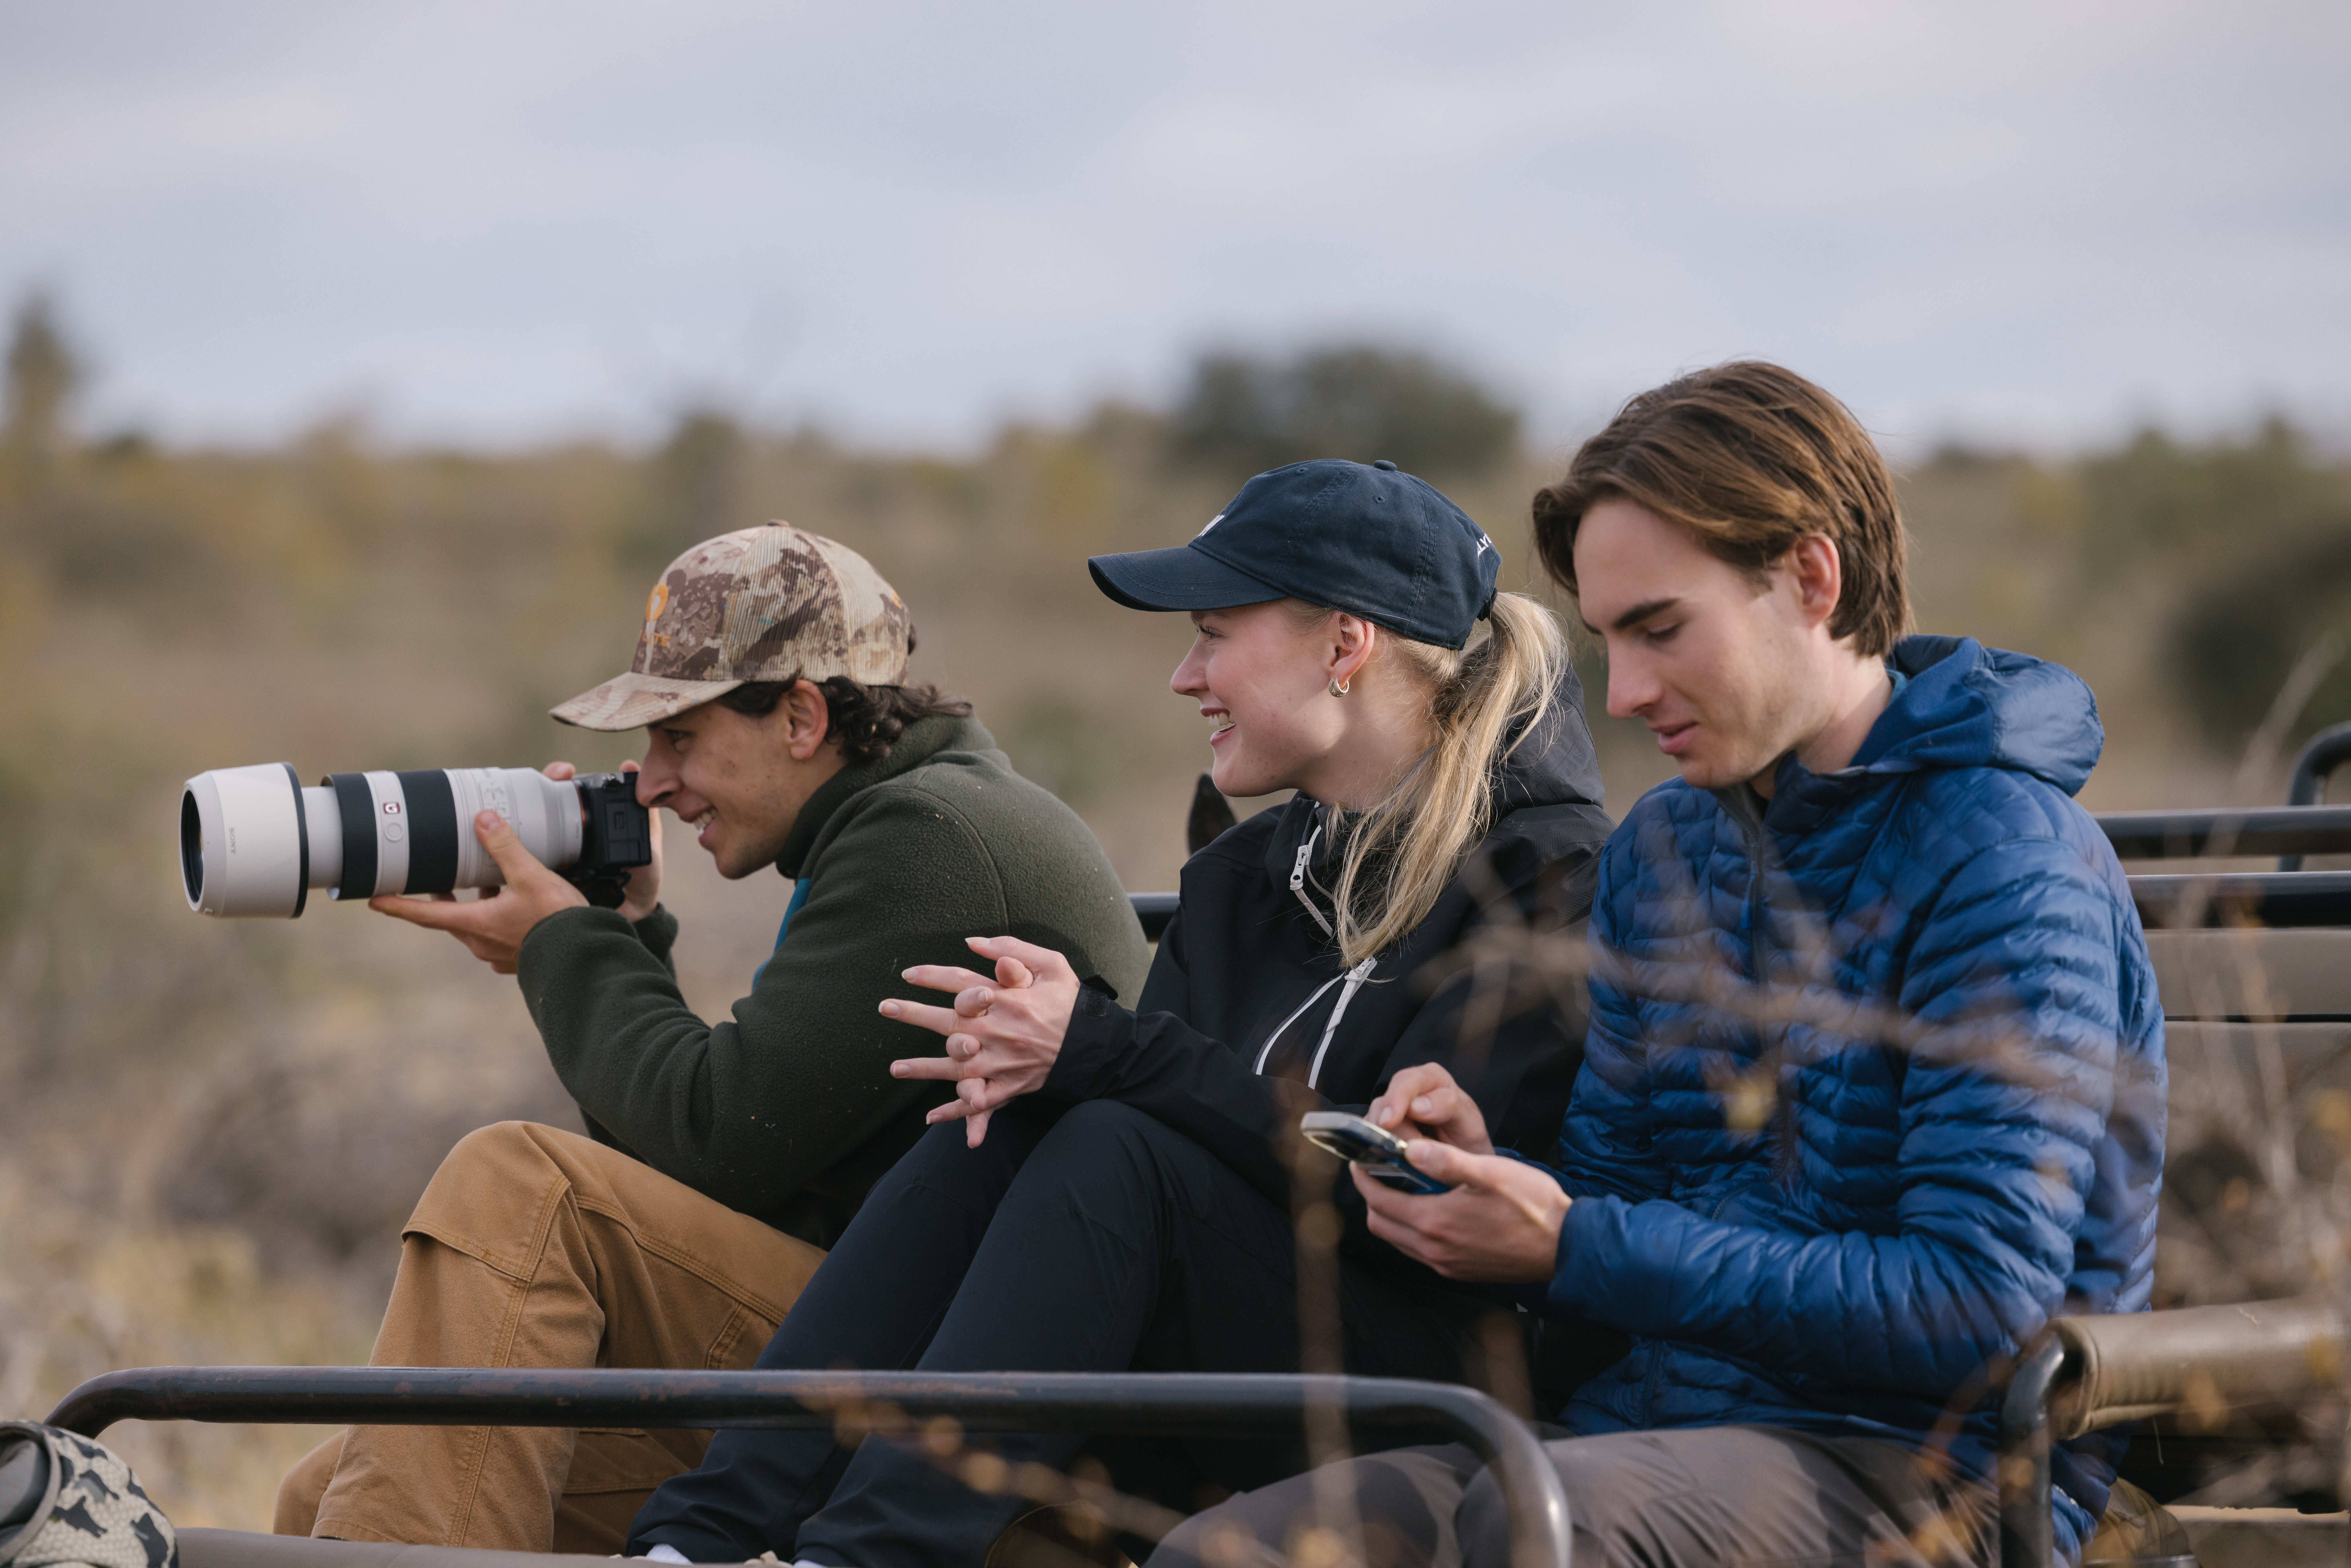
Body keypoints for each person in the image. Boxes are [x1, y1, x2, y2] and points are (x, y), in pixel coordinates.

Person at [1151, 364, 2168, 1568]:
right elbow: (1611, 1191)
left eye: (1660, 629)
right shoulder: (1663, 848)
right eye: (1605, 641)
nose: (1625, 694)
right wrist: (1488, 1176)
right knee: (1227, 1552)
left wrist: (1571, 1241)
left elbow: (1977, 1307)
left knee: (1542, 1523)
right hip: (1637, 1435)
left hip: (1926, 1474)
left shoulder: (2007, 857)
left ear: (1811, 579)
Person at [621, 459, 1614, 1568]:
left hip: (1432, 1378)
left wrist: (1106, 1047)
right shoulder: (1244, 876)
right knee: (1008, 1120)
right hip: (1224, 1360)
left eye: (1214, 635)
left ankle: (866, 1557)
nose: (1186, 678)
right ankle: (696, 1540)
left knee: (1113, 1139)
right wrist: (1057, 1052)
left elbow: (1418, 1201)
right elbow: (1175, 1117)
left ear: (1345, 645)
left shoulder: (1547, 881)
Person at [273, 523, 1152, 1553]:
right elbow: (725, 1158)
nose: (651, 781)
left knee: (521, 1185)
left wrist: (570, 947)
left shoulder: (930, 840)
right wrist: (623, 932)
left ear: (802, 717)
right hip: (896, 1356)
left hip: (962, 1417)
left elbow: (719, 1140)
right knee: (326, 1496)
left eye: (680, 739)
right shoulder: (912, 817)